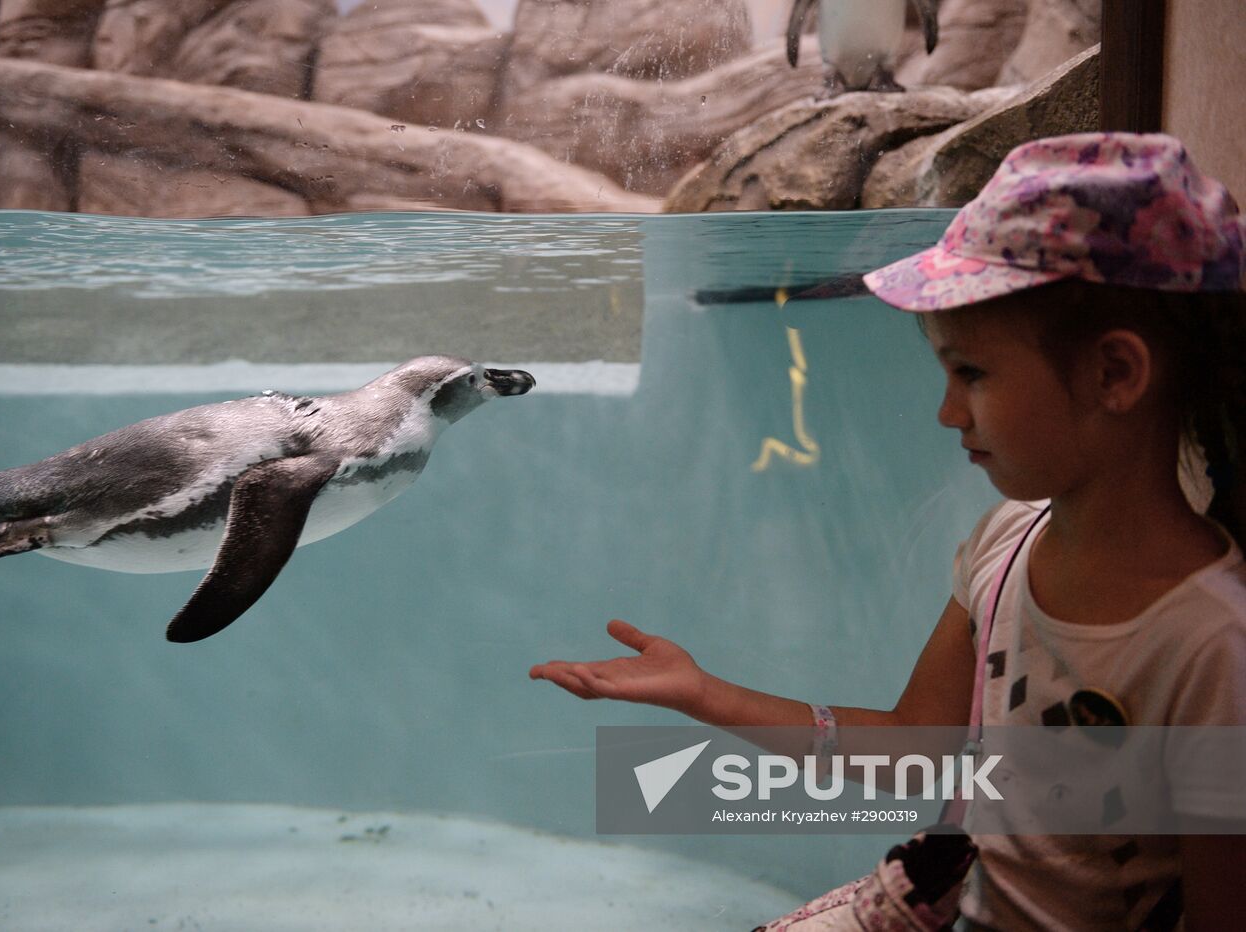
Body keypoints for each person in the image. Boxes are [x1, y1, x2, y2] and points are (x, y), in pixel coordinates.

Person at [529, 133, 1246, 930]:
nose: (947, 412)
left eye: (971, 373)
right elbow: (918, 747)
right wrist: (707, 695)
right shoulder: (1006, 544)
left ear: (1114, 375)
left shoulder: (1212, 646)